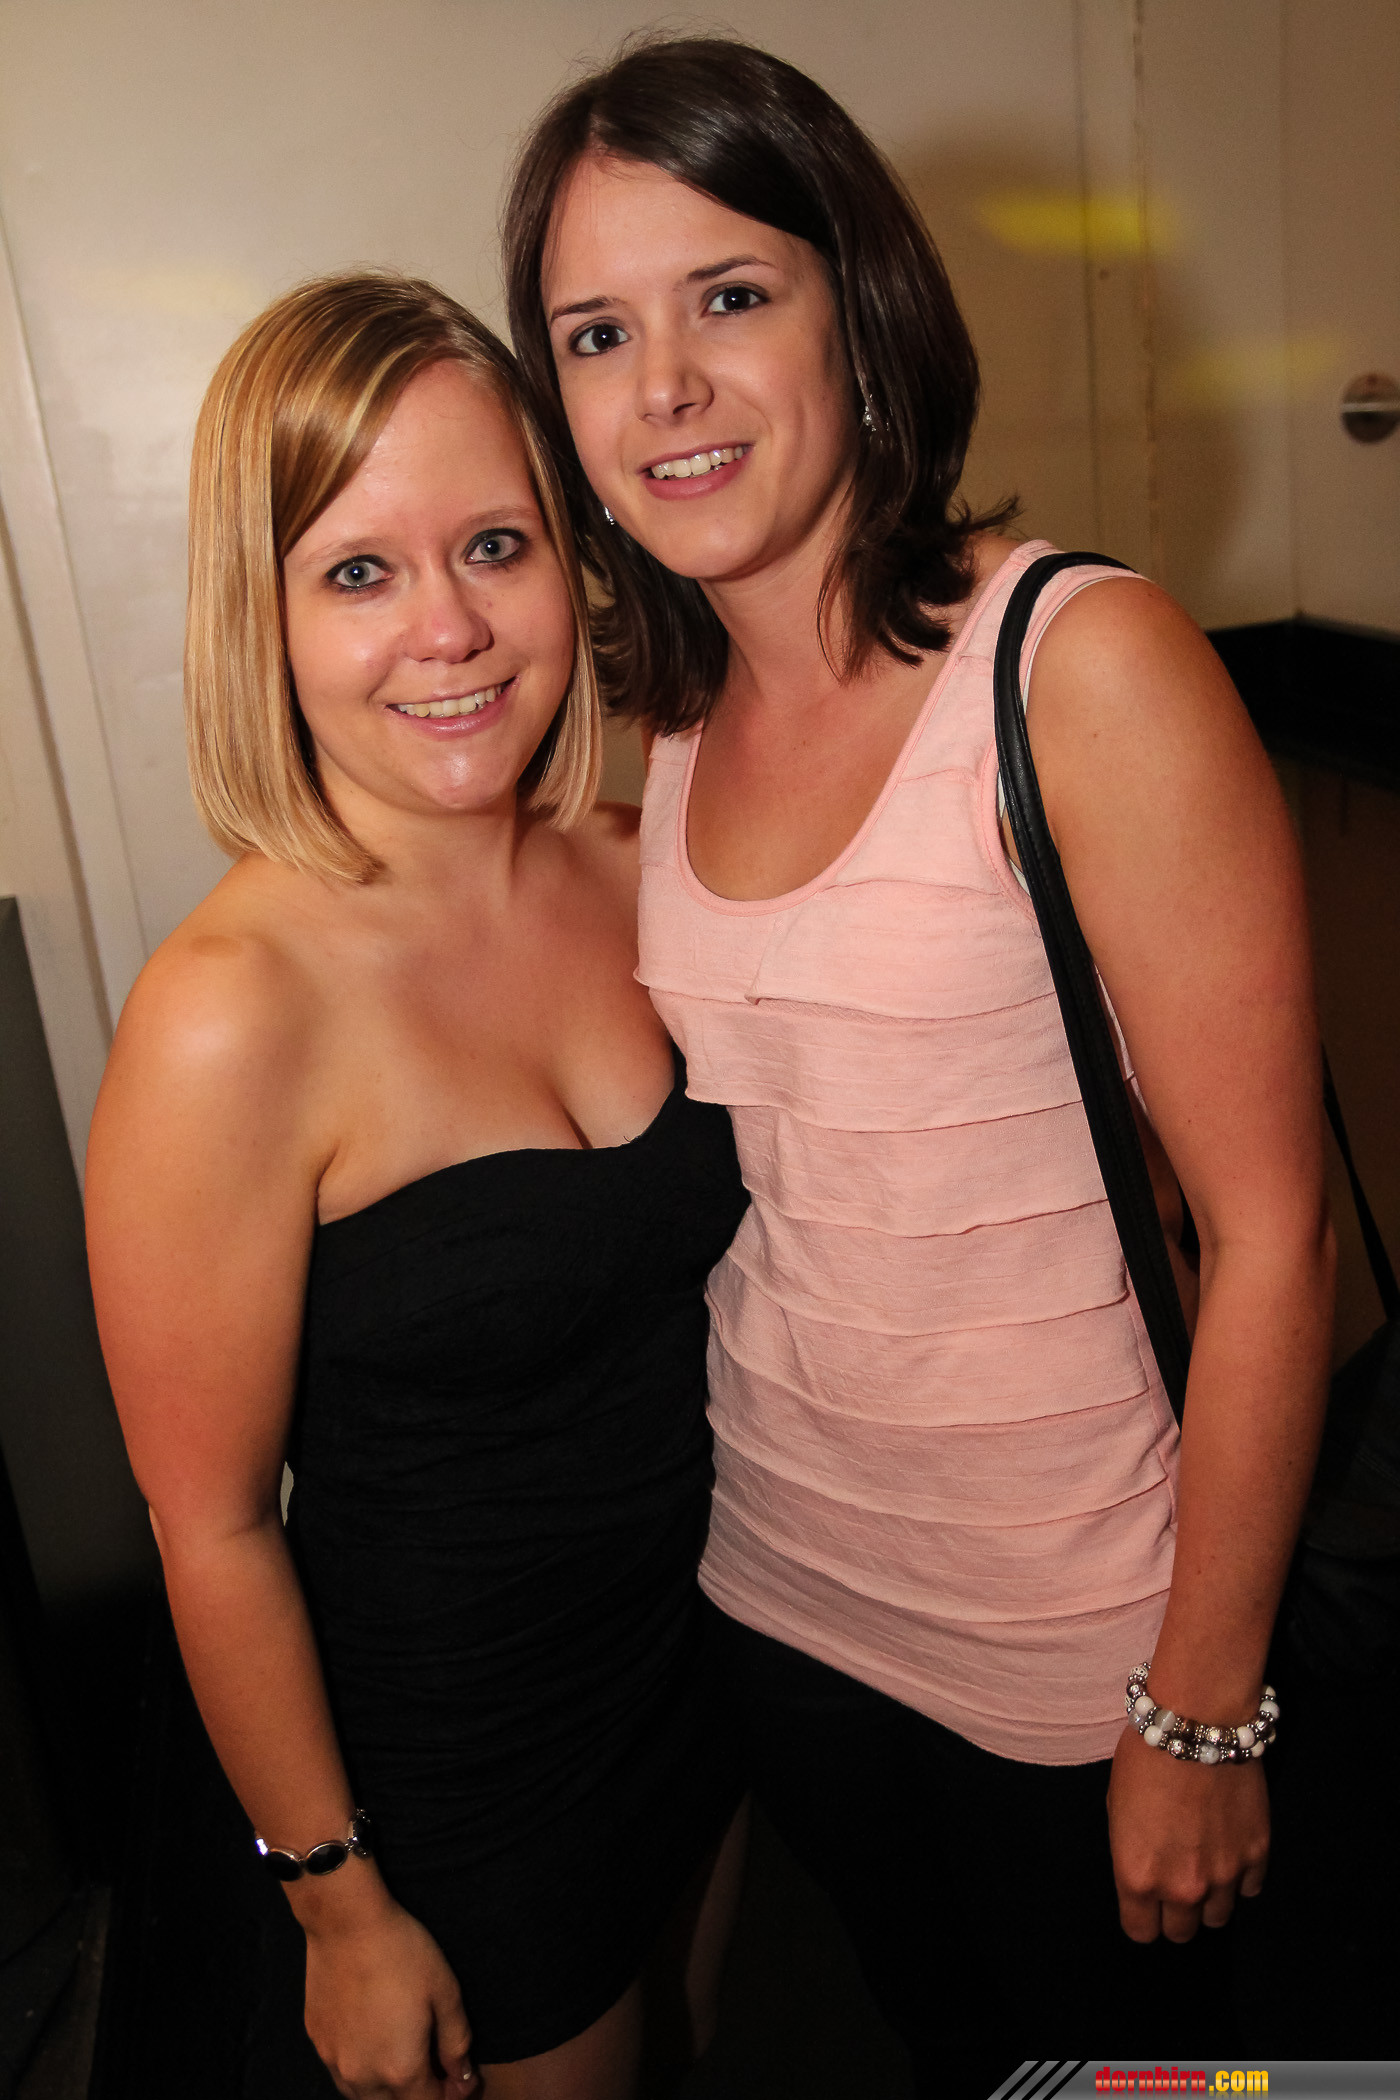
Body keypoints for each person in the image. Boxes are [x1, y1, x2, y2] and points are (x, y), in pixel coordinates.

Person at [501, 37, 1336, 2090]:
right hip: (782, 1598)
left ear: (859, 312)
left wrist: (1199, 1703)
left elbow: (1272, 1234)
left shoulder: (1079, 665)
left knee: (1152, 2077)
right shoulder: (664, 726)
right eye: (596, 334)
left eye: (728, 295)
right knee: (944, 2043)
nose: (663, 384)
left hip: (1080, 1643)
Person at [84, 271, 748, 2100]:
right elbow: (212, 1527)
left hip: (697, 1675)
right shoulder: (230, 1014)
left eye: (494, 545)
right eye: (359, 570)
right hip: (460, 1777)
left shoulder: (644, 860)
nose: (448, 627)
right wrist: (337, 1903)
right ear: (267, 615)